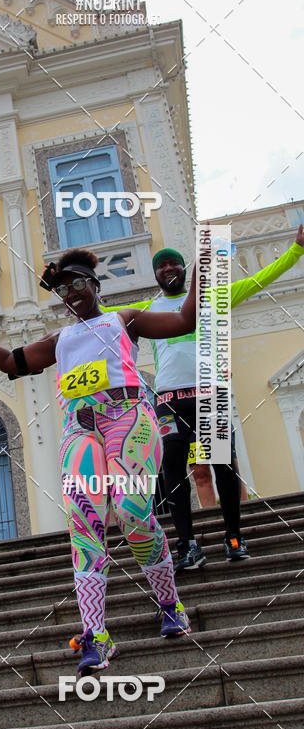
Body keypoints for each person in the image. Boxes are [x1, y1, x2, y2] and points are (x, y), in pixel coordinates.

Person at [0, 247, 198, 676]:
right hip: (80, 427)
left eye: (78, 284)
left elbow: (185, 321)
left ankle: (170, 605)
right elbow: (10, 363)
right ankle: (97, 636)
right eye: (63, 288)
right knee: (85, 521)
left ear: (94, 286)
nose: (71, 293)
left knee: (132, 513)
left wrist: (200, 272)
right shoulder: (60, 340)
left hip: (128, 417)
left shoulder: (124, 319)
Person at [101, 224, 304, 571]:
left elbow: (261, 280)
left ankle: (234, 539)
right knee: (174, 472)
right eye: (161, 266)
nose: (168, 269)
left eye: (174, 264)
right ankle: (187, 546)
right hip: (168, 401)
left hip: (210, 395)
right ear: (156, 276)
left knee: (223, 467)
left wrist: (297, 250)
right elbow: (97, 317)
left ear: (183, 269)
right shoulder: (145, 309)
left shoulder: (214, 298)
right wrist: (67, 294)